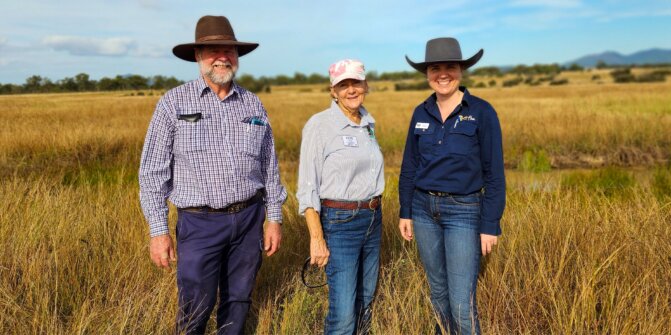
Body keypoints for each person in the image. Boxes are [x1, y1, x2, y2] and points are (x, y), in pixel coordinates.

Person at [138, 15, 287, 335]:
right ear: (197, 56)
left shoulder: (253, 104)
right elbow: (152, 173)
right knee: (195, 304)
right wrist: (158, 230)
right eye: (212, 50)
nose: (222, 56)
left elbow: (269, 165)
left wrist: (273, 216)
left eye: (229, 50)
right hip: (198, 223)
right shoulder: (173, 103)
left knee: (239, 299)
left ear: (237, 55)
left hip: (249, 219)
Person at [398, 38, 506, 335]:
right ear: (427, 73)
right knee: (438, 292)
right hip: (422, 211)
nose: (442, 74)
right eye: (435, 68)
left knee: (461, 300)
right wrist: (405, 211)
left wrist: (490, 223)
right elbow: (410, 166)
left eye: (450, 67)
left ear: (461, 70)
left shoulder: (482, 112)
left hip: (464, 211)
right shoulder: (421, 112)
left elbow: (494, 172)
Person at [297, 59, 385, 335]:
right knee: (343, 313)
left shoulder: (368, 123)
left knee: (365, 302)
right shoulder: (320, 125)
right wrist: (317, 238)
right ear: (333, 91)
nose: (351, 90)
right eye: (343, 85)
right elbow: (307, 187)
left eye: (355, 83)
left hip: (372, 218)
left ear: (365, 85)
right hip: (340, 222)